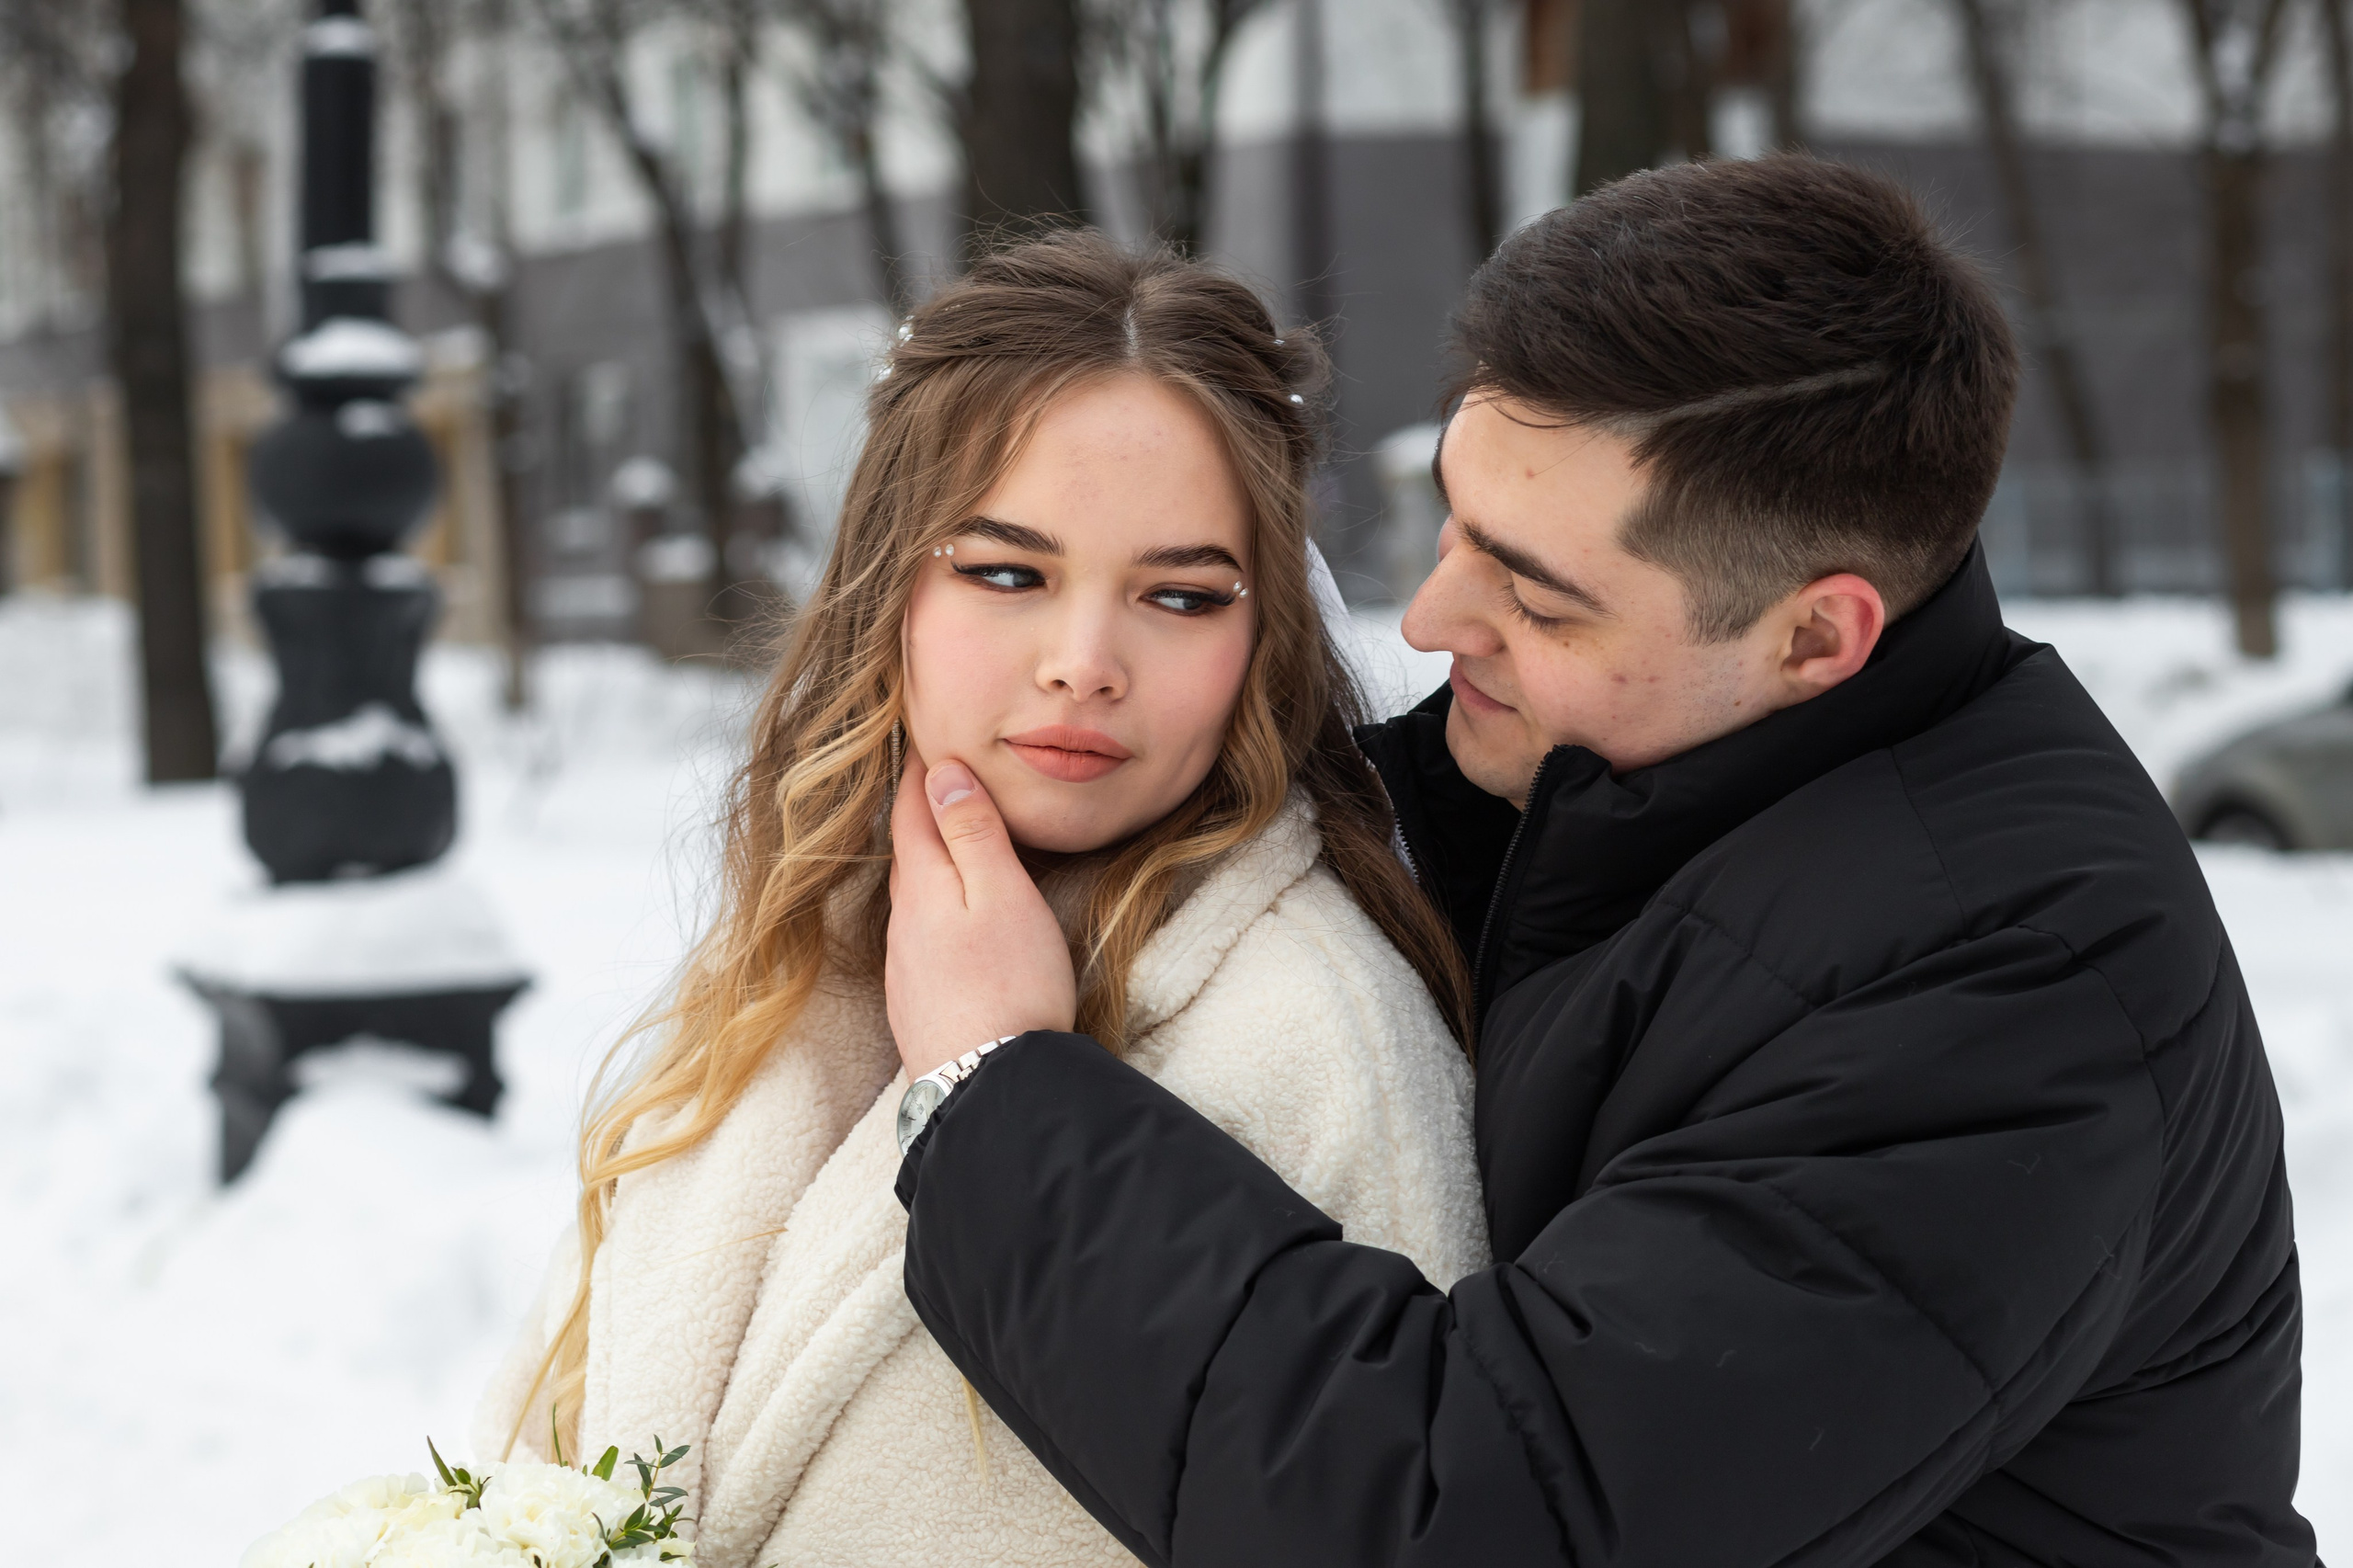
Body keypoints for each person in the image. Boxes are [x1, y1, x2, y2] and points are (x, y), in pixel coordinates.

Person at [882, 156, 2316, 1565]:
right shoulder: (1627, 772)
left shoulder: (2006, 989)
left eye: (1539, 597)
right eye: (1455, 520)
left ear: (1815, 638)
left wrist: (998, 1088)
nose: (1435, 618)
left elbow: (1466, 1510)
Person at [472, 232, 1491, 1568]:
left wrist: (1005, 1077)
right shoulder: (798, 967)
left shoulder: (1321, 1040)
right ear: (889, 585)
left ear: (1264, 640)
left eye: (1180, 595)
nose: (1083, 663)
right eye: (1007, 572)